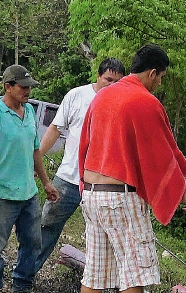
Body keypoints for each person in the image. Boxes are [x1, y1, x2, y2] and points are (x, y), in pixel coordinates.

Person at [77, 44, 186, 293]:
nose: (159, 83)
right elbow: (163, 157)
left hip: (92, 194)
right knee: (134, 268)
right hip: (120, 196)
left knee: (95, 266)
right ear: (151, 73)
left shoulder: (101, 97)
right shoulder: (145, 102)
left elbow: (84, 145)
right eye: (160, 77)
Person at [0, 65, 59, 293]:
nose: (27, 91)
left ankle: (22, 288)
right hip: (1, 194)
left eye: (29, 86)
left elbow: (35, 150)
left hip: (28, 193)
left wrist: (45, 182)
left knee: (32, 241)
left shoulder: (29, 111)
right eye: (23, 87)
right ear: (8, 87)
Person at [33, 58, 126, 271]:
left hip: (103, 185)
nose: (112, 85)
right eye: (108, 80)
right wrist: (35, 162)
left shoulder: (124, 104)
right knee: (47, 227)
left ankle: (99, 285)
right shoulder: (77, 96)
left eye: (117, 82)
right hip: (69, 179)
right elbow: (55, 129)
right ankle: (25, 275)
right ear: (98, 76)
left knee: (102, 238)